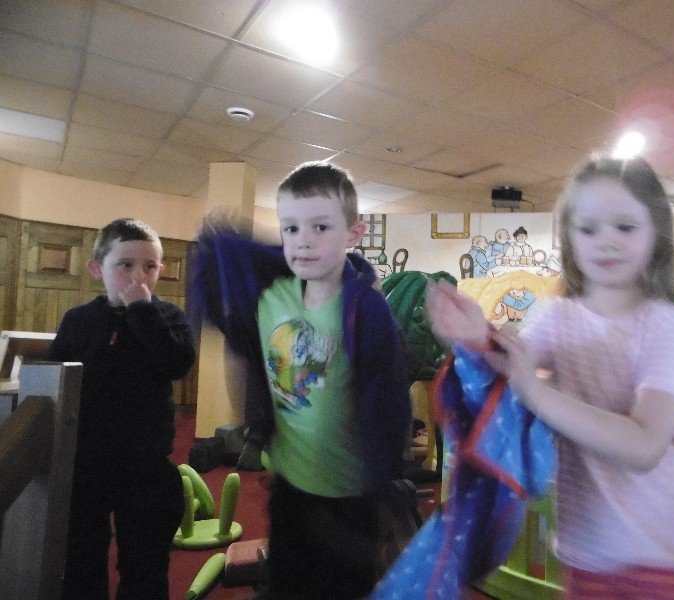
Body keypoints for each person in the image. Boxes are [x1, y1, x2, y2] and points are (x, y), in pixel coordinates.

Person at [426, 156, 674, 599]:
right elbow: (508, 365)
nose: (606, 241)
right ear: (570, 238)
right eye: (588, 229)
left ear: (657, 233)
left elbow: (645, 446)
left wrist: (536, 392)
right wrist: (475, 335)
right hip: (588, 547)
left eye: (625, 227)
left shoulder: (667, 323)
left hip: (670, 547)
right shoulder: (557, 317)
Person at [190, 161, 411, 599]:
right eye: (291, 228)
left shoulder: (366, 311)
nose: (303, 240)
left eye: (320, 227)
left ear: (353, 234)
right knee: (287, 585)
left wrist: (386, 476)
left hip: (350, 497)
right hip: (288, 485)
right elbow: (226, 302)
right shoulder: (270, 298)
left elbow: (389, 400)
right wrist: (217, 247)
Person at [48, 218, 196, 600]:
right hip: (87, 460)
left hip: (146, 461)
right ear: (97, 269)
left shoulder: (168, 317)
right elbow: (54, 378)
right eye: (125, 265)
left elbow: (177, 363)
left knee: (146, 563)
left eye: (150, 266)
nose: (139, 277)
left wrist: (142, 311)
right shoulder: (79, 321)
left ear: (161, 270)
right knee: (81, 557)